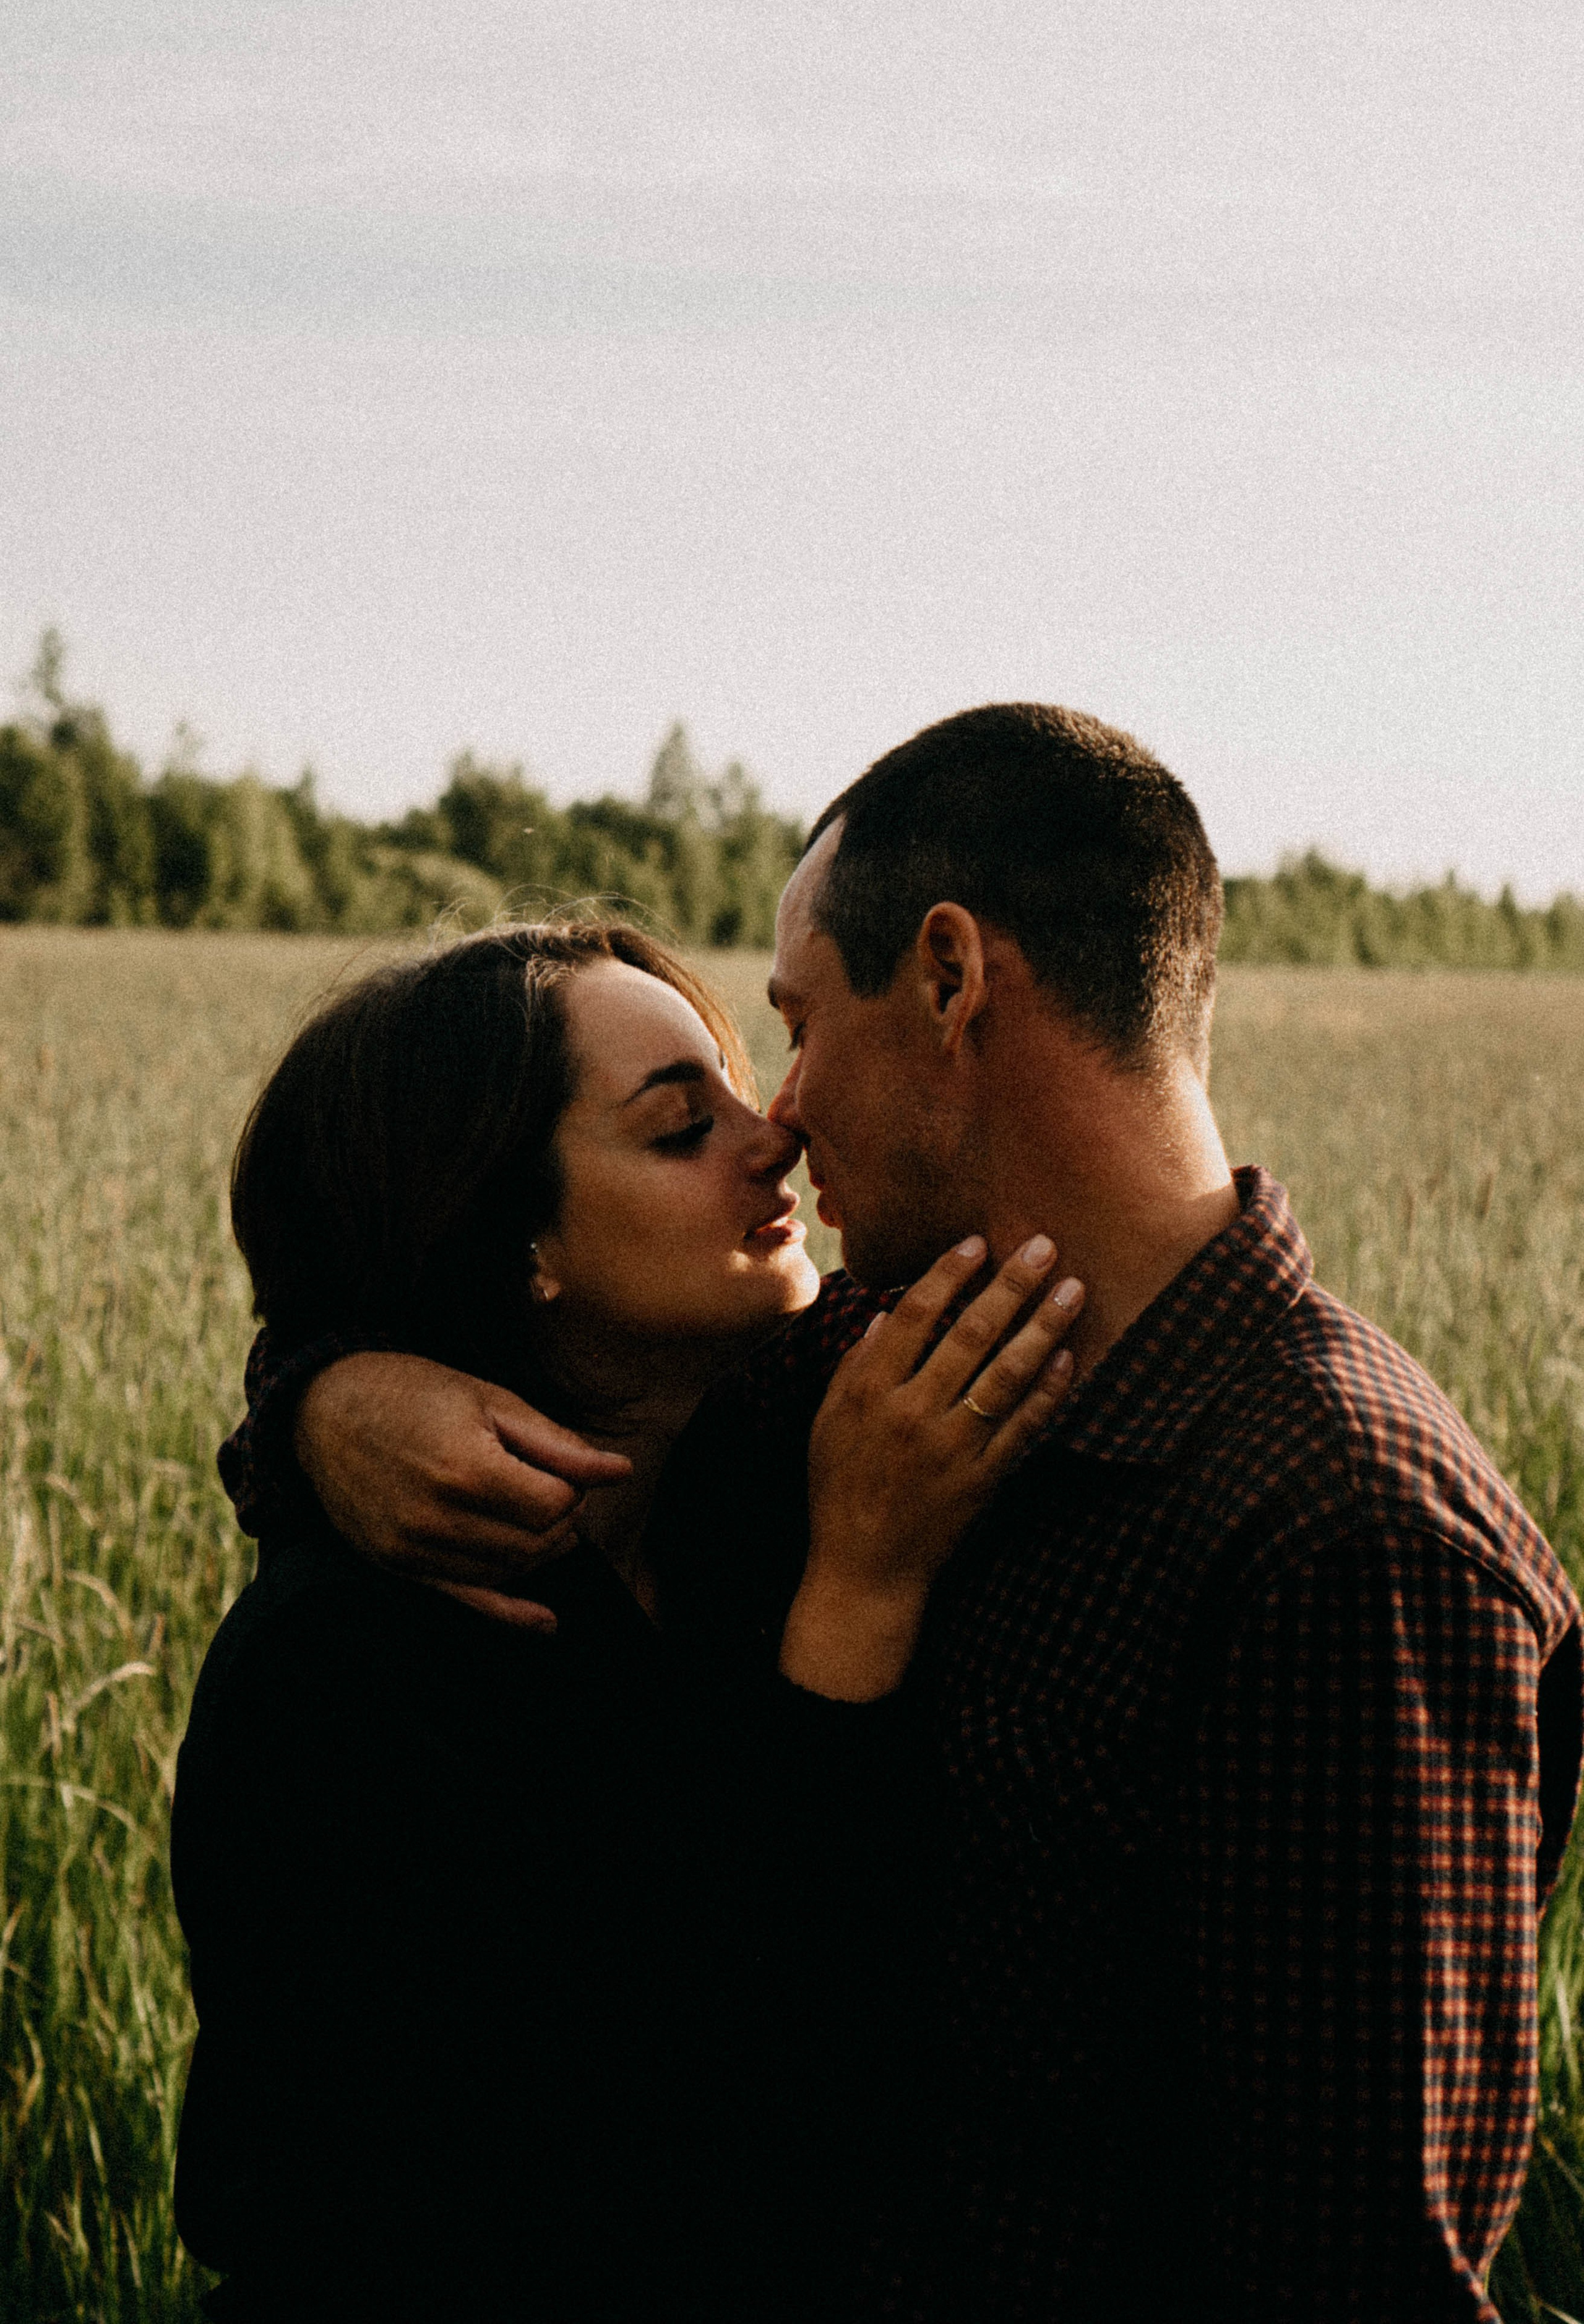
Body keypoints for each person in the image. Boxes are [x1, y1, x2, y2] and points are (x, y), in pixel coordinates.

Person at [225, 706, 1584, 2324]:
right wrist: (325, 1397)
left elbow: (1349, 2274)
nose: (782, 1119)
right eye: (696, 1112)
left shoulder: (1345, 1536)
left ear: (949, 979)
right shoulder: (862, 1389)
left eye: (793, 1033)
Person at [173, 919, 1085, 2324]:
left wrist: (310, 1394)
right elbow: (683, 2146)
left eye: (739, 1084)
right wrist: (859, 1597)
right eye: (679, 1128)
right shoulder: (345, 1673)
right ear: (513, 1240)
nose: (774, 1137)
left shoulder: (757, 1480)